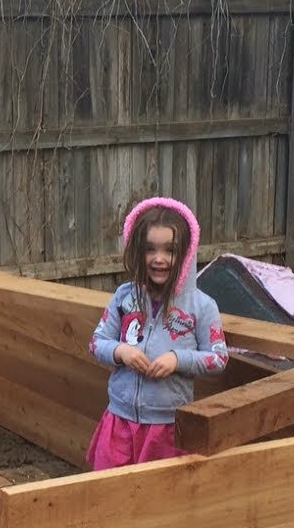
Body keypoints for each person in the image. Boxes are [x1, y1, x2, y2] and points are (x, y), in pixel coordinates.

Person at [87, 196, 229, 469]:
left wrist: (178, 359)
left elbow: (218, 357)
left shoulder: (201, 306)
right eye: (149, 249)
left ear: (186, 253)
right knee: (111, 490)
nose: (159, 259)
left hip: (167, 427)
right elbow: (96, 343)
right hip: (119, 423)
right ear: (137, 251)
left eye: (170, 250)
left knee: (159, 493)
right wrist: (121, 352)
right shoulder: (125, 297)